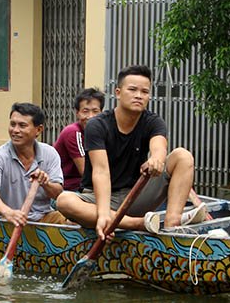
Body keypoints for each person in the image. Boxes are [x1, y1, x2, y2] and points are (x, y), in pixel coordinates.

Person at [56, 65, 206, 237]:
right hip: (100, 199)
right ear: (118, 93)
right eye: (133, 90)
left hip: (135, 195)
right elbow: (101, 171)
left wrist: (156, 159)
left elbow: (159, 147)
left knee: (182, 156)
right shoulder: (97, 125)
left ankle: (172, 224)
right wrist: (103, 215)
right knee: (64, 201)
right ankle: (138, 224)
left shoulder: (153, 121)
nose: (138, 95)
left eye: (144, 91)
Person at [0, 103, 67, 226]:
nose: (15, 130)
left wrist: (45, 183)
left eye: (22, 126)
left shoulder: (50, 153)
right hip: (6, 221)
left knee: (73, 224)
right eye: (13, 124)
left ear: (38, 130)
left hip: (42, 217)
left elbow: (57, 194)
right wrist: (9, 213)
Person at [53, 87, 104, 191]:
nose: (90, 116)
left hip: (85, 185)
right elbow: (85, 172)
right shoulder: (73, 132)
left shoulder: (101, 132)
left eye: (95, 111)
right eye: (85, 111)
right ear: (77, 113)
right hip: (67, 188)